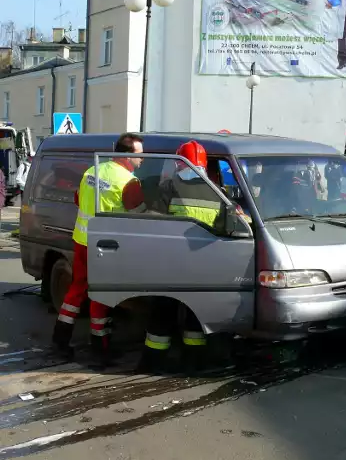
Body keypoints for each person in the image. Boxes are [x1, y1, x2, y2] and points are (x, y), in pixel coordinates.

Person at [51, 133, 146, 367]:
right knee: (101, 294)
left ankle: (60, 339)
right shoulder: (129, 182)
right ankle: (100, 346)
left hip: (82, 239)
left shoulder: (92, 170)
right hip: (106, 245)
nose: (142, 159)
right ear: (126, 157)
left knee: (78, 288)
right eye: (139, 155)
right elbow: (142, 216)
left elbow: (77, 199)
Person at [139, 141, 220, 373]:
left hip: (171, 263)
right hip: (204, 264)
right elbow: (229, 226)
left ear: (178, 162)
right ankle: (193, 362)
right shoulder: (215, 191)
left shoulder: (169, 187)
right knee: (196, 315)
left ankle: (154, 362)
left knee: (162, 311)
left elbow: (153, 224)